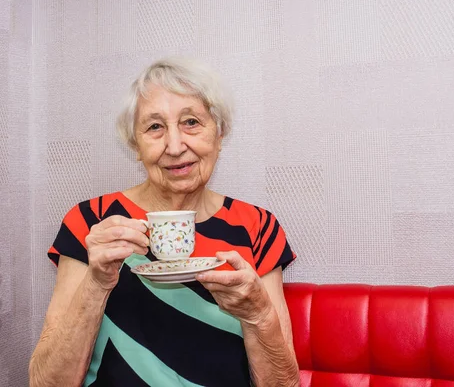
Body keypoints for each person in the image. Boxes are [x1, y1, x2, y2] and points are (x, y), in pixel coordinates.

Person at [29, 57, 300, 387]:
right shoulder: (92, 223)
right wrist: (97, 283)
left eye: (191, 122)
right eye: (154, 127)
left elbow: (284, 384)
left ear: (219, 133)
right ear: (136, 145)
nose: (174, 146)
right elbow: (46, 383)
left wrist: (259, 315)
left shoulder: (257, 226)